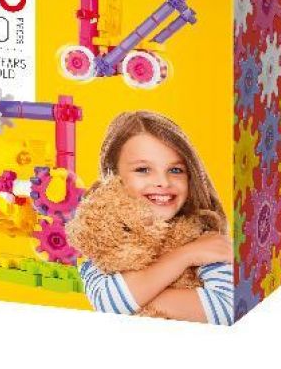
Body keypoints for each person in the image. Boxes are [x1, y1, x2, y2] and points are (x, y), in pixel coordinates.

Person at [78, 111, 233, 324]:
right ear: (111, 176)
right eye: (143, 169)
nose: (163, 182)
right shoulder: (104, 242)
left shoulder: (204, 238)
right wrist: (186, 255)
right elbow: (106, 301)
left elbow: (228, 308)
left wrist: (135, 299)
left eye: (175, 170)